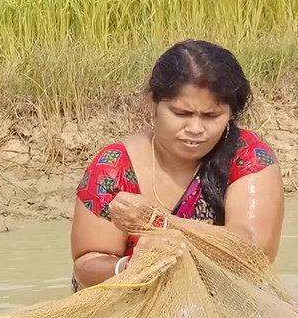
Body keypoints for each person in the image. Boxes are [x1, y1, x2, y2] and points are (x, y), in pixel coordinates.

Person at [69, 40, 284, 291]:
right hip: (129, 307)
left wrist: (156, 223)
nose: (195, 130)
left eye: (211, 116)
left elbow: (252, 255)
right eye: (181, 114)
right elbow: (86, 266)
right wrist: (130, 266)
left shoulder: (247, 157)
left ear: (231, 114)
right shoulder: (113, 168)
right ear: (153, 103)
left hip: (220, 305)